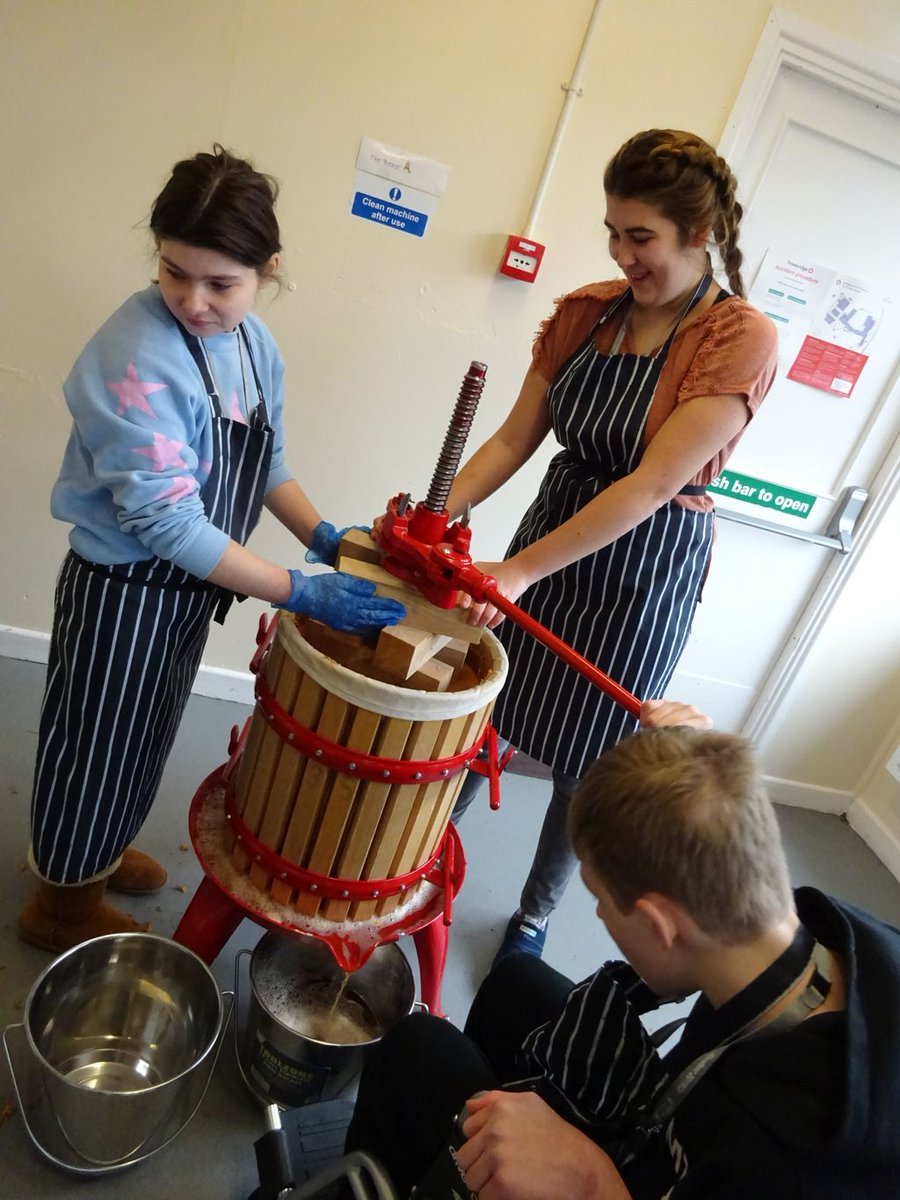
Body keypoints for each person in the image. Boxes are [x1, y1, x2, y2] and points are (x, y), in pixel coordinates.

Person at [19, 145, 404, 953]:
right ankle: (58, 905)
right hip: (123, 588)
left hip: (185, 589)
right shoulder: (135, 356)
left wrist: (325, 540)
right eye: (173, 272)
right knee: (94, 741)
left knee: (143, 732)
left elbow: (265, 461)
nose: (192, 301)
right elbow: (163, 523)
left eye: (220, 283)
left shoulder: (255, 345)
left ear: (267, 269)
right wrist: (296, 590)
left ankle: (95, 853)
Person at [344, 700, 900, 1199]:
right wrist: (690, 766)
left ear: (660, 924)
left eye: (600, 899)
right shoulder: (833, 937)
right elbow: (712, 812)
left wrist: (592, 1178)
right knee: (517, 984)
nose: (600, 917)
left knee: (416, 1051)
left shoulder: (785, 1158)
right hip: (670, 1135)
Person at [447, 128, 779, 963]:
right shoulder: (586, 315)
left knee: (583, 759)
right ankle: (416, 850)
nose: (622, 254)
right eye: (613, 232)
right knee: (483, 708)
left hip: (643, 565)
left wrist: (518, 571)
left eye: (642, 238)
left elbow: (654, 483)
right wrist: (436, 510)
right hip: (556, 529)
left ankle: (532, 916)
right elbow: (513, 442)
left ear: (698, 235)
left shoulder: (737, 338)